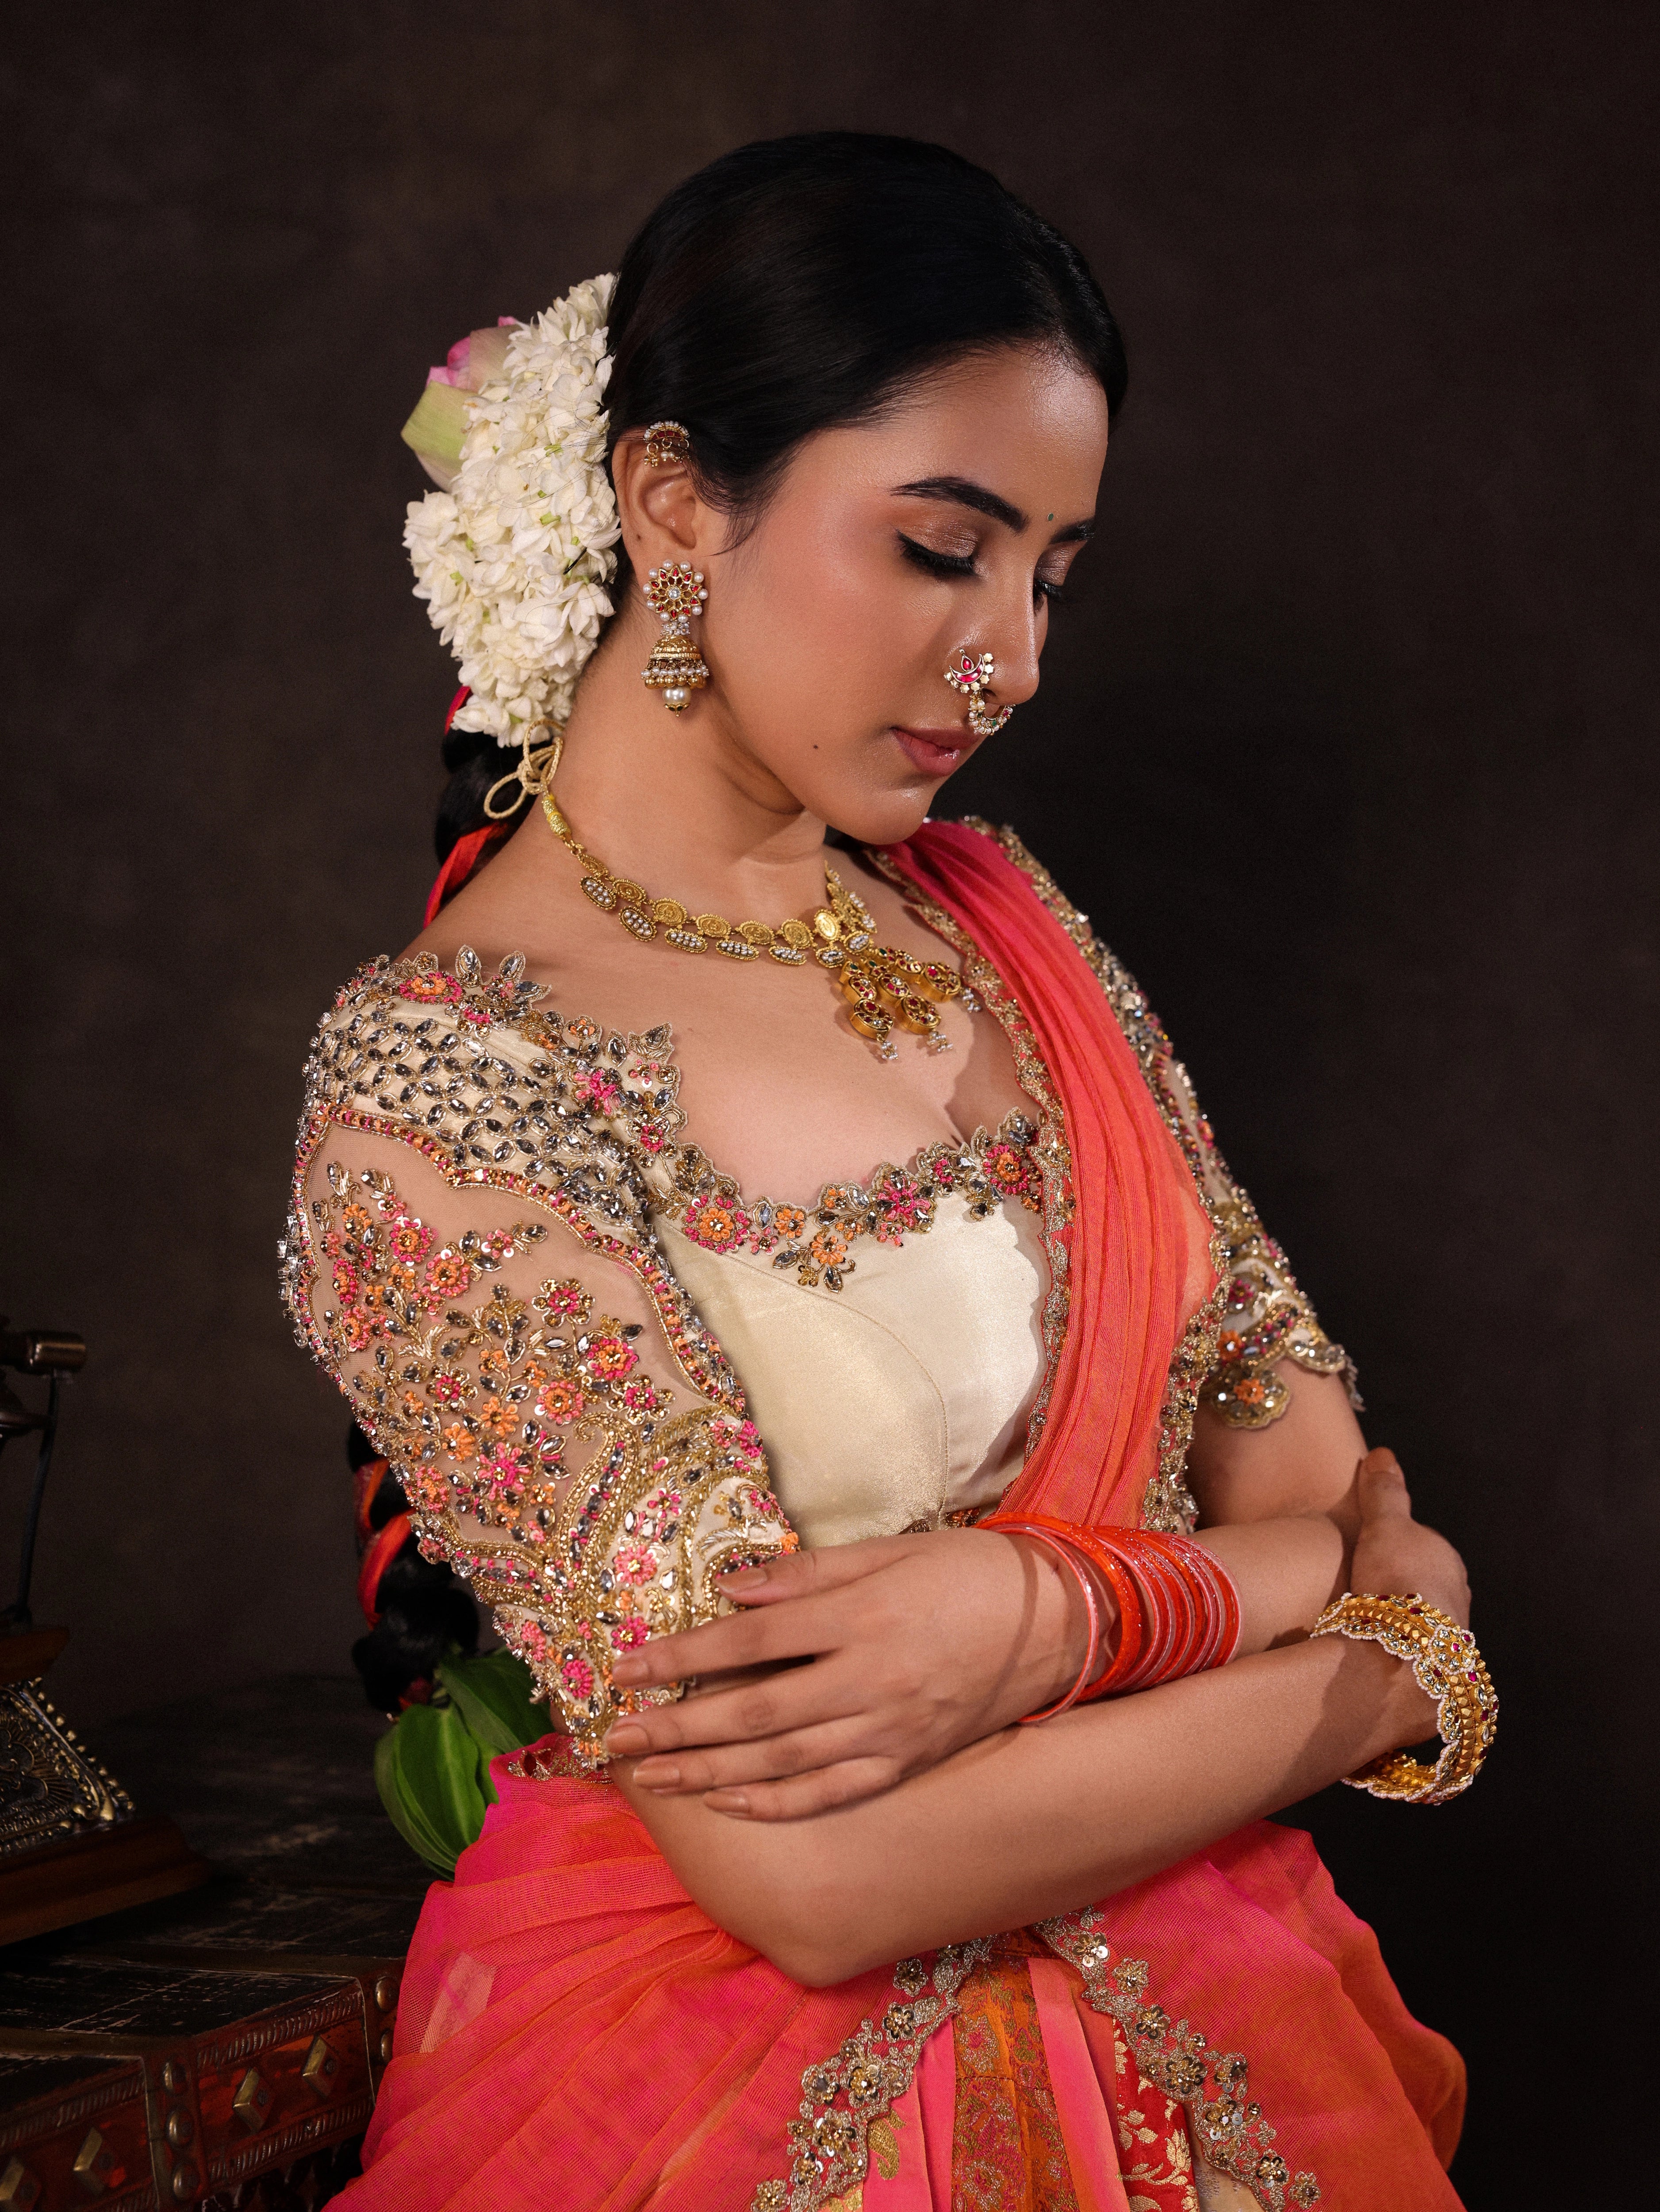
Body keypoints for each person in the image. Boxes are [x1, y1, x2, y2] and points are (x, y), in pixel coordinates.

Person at [282, 133, 1492, 2212]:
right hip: (727, 2095)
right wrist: (1376, 1647)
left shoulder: (1000, 919)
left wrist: (1034, 1616)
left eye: (1053, 574)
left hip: (1217, 2026)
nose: (1011, 657)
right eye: (943, 549)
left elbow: (1296, 1459)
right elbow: (820, 1877)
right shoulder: (444, 1082)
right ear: (675, 501)